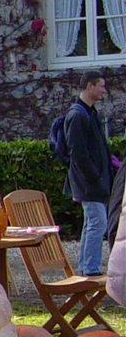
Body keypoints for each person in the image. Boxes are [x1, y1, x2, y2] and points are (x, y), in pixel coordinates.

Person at [62, 71, 112, 276]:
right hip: (88, 183)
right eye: (101, 86)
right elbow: (78, 153)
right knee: (98, 222)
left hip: (92, 181)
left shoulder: (88, 113)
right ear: (89, 86)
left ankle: (85, 267)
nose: (103, 90)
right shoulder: (77, 115)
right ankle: (90, 269)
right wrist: (94, 177)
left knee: (92, 222)